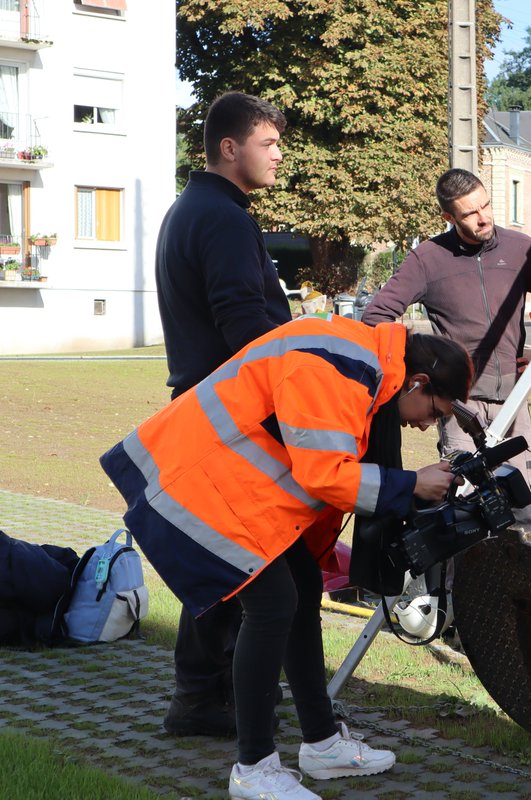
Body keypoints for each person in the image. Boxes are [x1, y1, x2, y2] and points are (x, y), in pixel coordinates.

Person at [101, 315, 472, 800]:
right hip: (195, 485)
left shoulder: (359, 360)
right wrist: (410, 484)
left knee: (299, 591)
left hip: (224, 483)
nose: (425, 424)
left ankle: (320, 743)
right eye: (435, 411)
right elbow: (322, 473)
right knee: (273, 605)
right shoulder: (343, 365)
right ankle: (253, 769)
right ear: (418, 381)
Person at [155, 91, 291, 738]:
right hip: (229, 413)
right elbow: (243, 324)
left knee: (225, 560)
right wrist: (295, 382)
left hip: (202, 405)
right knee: (247, 568)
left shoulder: (194, 209)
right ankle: (215, 699)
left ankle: (204, 695)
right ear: (229, 148)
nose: (279, 156)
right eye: (268, 143)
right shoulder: (223, 219)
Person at [363, 168, 531, 539]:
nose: (484, 218)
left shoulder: (521, 249)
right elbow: (376, 316)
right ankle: (462, 595)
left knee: (525, 507)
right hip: (459, 407)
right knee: (468, 510)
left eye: (486, 206)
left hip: (514, 401)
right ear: (448, 218)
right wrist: (415, 367)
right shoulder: (428, 259)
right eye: (470, 213)